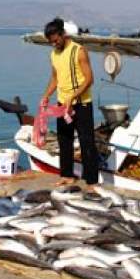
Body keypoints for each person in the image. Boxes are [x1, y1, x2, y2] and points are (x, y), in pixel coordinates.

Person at [39, 18, 98, 189]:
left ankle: (91, 181)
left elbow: (89, 79)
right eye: (51, 42)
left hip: (81, 104)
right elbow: (56, 78)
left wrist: (73, 97)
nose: (54, 44)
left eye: (56, 40)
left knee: (87, 142)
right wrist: (46, 96)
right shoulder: (54, 54)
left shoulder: (78, 51)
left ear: (63, 34)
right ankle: (67, 175)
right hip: (62, 105)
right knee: (64, 140)